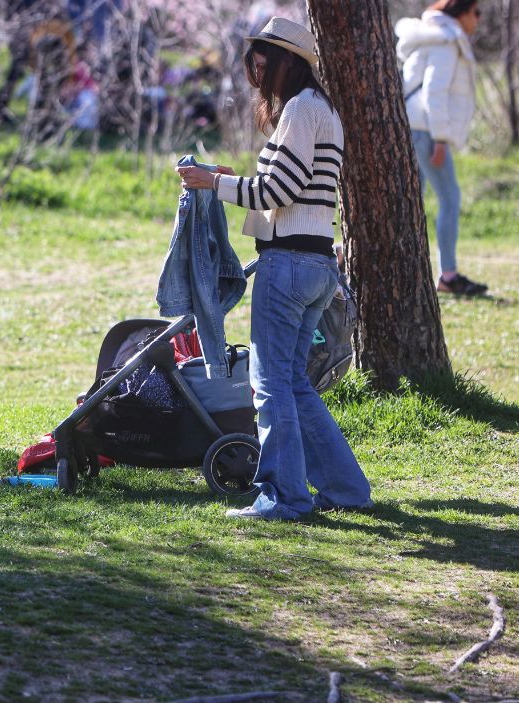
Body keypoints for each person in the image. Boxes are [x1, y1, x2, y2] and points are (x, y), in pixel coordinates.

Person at [175, 17, 372, 520]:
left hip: (288, 266)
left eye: (264, 54)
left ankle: (284, 496)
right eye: (255, 53)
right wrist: (225, 178)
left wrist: (210, 185)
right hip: (316, 265)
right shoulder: (318, 110)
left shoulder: (302, 112)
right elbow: (287, 187)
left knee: (269, 384)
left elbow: (275, 193)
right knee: (294, 383)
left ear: (288, 61)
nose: (256, 63)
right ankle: (346, 489)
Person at [396, 0, 485, 296]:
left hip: (414, 127)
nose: (479, 19)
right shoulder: (447, 43)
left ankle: (405, 272)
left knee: (412, 203)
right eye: (476, 12)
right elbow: (434, 91)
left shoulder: (432, 38)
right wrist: (441, 138)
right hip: (426, 130)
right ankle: (448, 275)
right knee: (450, 197)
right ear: (460, 14)